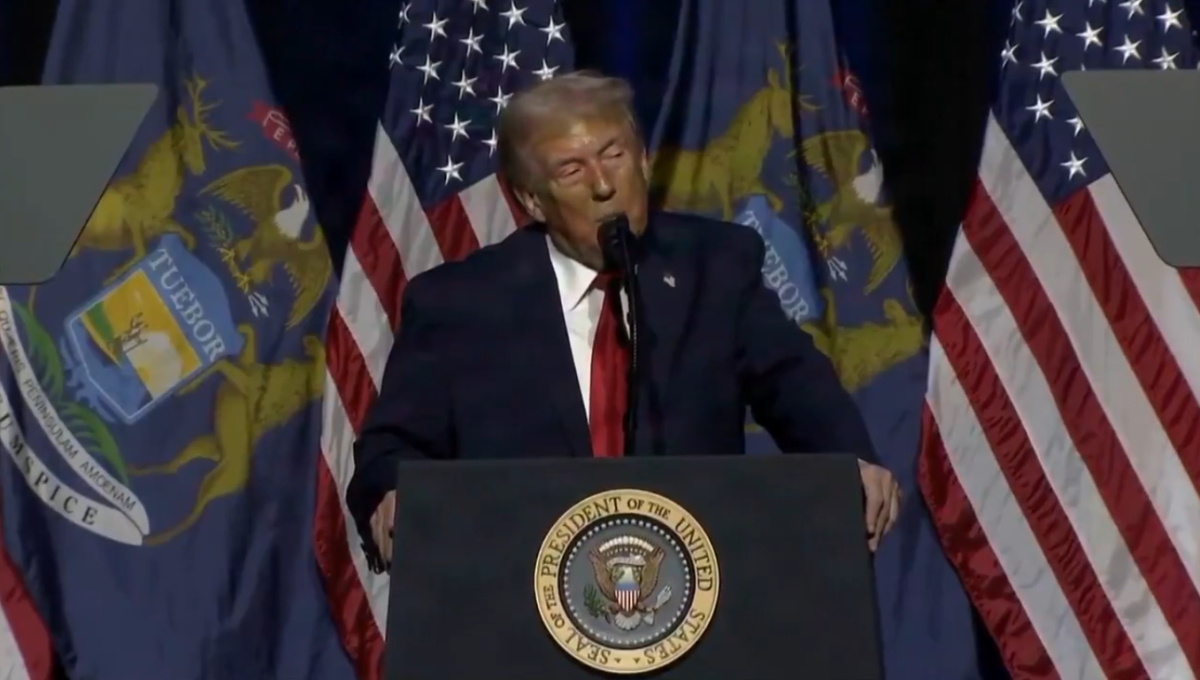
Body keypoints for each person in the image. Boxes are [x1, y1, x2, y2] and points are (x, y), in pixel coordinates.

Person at [347, 71, 900, 568]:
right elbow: (390, 447)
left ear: (641, 159)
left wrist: (847, 461)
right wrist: (394, 495)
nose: (603, 184)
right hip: (517, 592)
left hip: (695, 584)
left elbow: (794, 383)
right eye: (571, 169)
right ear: (533, 201)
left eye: (613, 155)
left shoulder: (715, 267)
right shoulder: (460, 304)